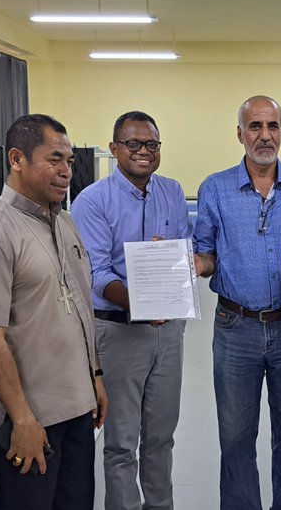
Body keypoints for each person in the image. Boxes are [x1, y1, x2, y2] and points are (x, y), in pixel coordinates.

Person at [0, 113, 107, 510]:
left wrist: (94, 374)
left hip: (77, 410)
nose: (65, 171)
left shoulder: (64, 223)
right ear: (16, 159)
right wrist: (23, 420)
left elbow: (79, 307)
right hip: (33, 420)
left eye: (70, 161)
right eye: (54, 159)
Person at [193, 95, 281, 510]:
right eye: (255, 126)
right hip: (235, 329)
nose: (264, 135)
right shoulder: (215, 188)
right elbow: (206, 252)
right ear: (240, 134)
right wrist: (183, 264)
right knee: (235, 437)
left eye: (272, 126)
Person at [71, 111, 191, 510]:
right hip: (118, 332)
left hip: (167, 333)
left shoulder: (172, 192)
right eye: (133, 144)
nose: (143, 151)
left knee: (161, 438)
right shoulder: (92, 200)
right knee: (121, 443)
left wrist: (171, 261)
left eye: (152, 145)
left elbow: (184, 254)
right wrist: (145, 299)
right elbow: (97, 274)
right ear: (114, 149)